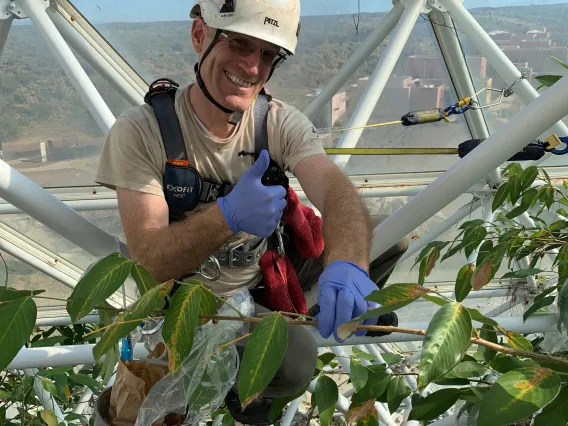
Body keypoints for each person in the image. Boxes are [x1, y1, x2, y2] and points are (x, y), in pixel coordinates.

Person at [95, 0, 409, 423]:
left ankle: (337, 304)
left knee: (388, 237)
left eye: (267, 54)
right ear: (199, 35)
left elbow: (335, 189)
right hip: (193, 296)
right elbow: (150, 260)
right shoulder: (144, 132)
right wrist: (226, 217)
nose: (252, 67)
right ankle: (240, 385)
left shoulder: (275, 122)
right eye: (239, 43)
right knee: (295, 359)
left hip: (259, 271)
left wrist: (349, 261)